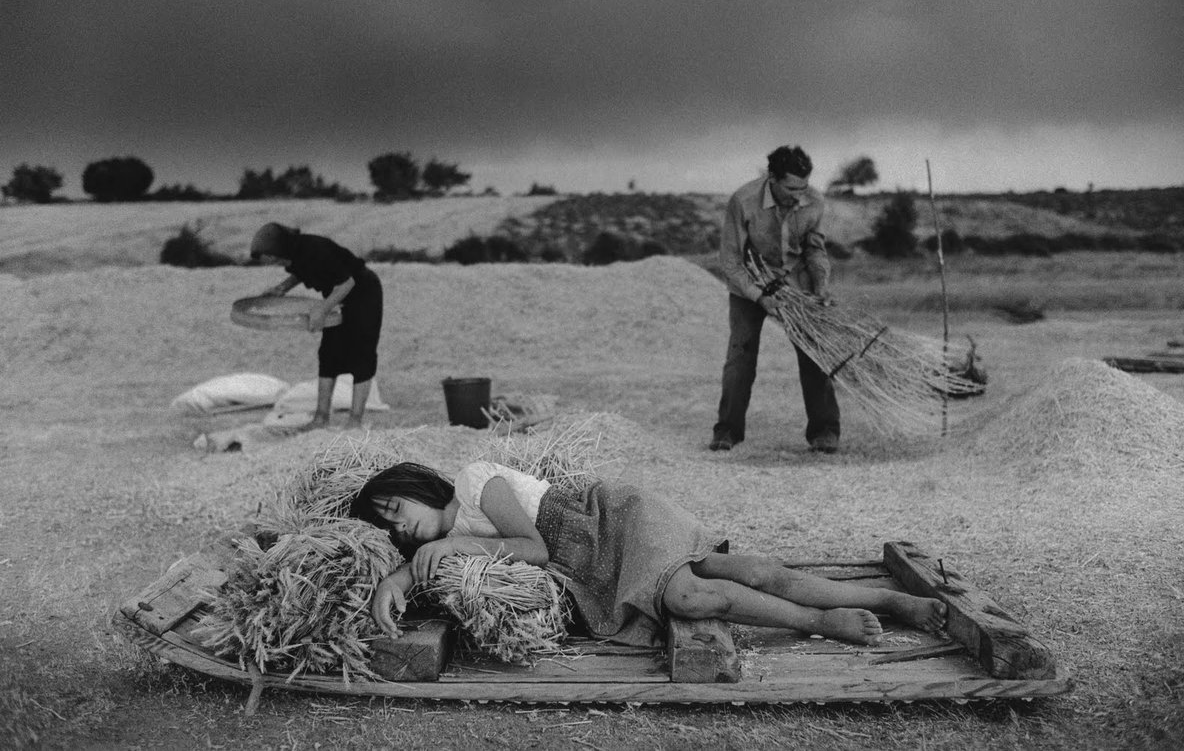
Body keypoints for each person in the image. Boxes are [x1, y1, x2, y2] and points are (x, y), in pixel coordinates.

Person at [350, 461, 947, 647]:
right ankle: (887, 601)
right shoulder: (439, 550)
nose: (400, 526)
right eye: (390, 528)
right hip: (596, 567)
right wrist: (395, 579)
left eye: (395, 508)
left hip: (612, 523)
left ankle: (829, 618)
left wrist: (455, 542)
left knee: (688, 596)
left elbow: (534, 549)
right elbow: (422, 567)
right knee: (752, 571)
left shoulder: (474, 482)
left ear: (417, 486)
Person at [711, 145, 840, 454]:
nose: (799, 196)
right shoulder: (743, 201)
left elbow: (815, 250)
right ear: (772, 179)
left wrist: (821, 284)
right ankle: (727, 430)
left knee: (814, 353)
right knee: (740, 355)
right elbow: (730, 262)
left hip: (796, 282)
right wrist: (760, 297)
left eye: (804, 187)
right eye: (791, 189)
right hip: (750, 283)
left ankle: (824, 430)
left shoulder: (814, 201)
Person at [250, 222, 383, 430]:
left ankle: (355, 421)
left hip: (363, 293)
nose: (268, 262)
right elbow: (302, 271)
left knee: (362, 355)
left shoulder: (315, 249)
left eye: (268, 256)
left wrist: (323, 309)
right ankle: (321, 418)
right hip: (336, 297)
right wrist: (281, 288)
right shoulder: (296, 253)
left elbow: (347, 283)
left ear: (276, 249)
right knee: (329, 354)